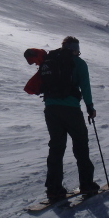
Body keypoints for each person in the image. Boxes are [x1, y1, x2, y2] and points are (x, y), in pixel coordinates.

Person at [42, 36, 100, 199]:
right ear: (75, 48)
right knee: (81, 146)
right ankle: (87, 185)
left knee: (56, 147)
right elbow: (85, 86)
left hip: (51, 109)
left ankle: (54, 189)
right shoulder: (79, 63)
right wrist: (90, 107)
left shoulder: (51, 60)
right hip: (71, 110)